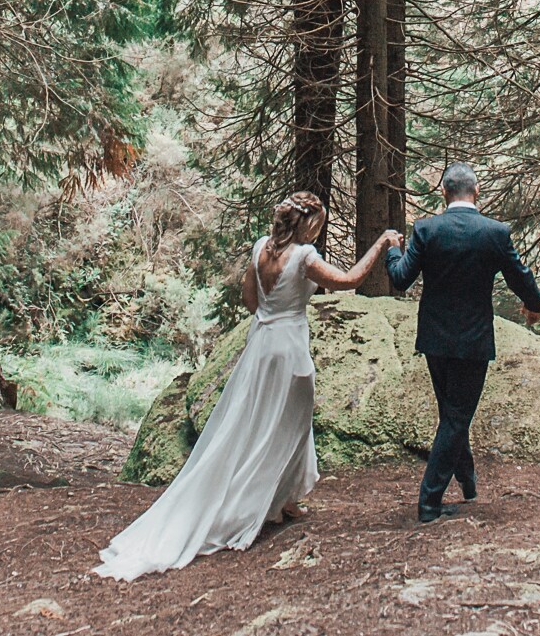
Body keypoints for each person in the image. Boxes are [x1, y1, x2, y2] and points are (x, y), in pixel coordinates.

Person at [94, 191, 397, 580]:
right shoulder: (305, 257)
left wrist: (274, 315)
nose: (318, 233)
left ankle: (285, 501)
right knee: (288, 425)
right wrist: (382, 243)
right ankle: (251, 503)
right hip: (289, 351)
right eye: (317, 225)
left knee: (256, 422)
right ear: (307, 224)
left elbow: (249, 299)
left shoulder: (259, 249)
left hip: (260, 344)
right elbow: (350, 280)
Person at [386, 162, 540, 524]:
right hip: (473, 341)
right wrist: (534, 307)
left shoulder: (426, 229)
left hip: (435, 340)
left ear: (444, 192)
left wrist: (394, 249)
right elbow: (520, 276)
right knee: (456, 417)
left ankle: (468, 482)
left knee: (452, 415)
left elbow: (399, 279)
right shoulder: (495, 232)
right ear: (477, 191)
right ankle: (429, 503)